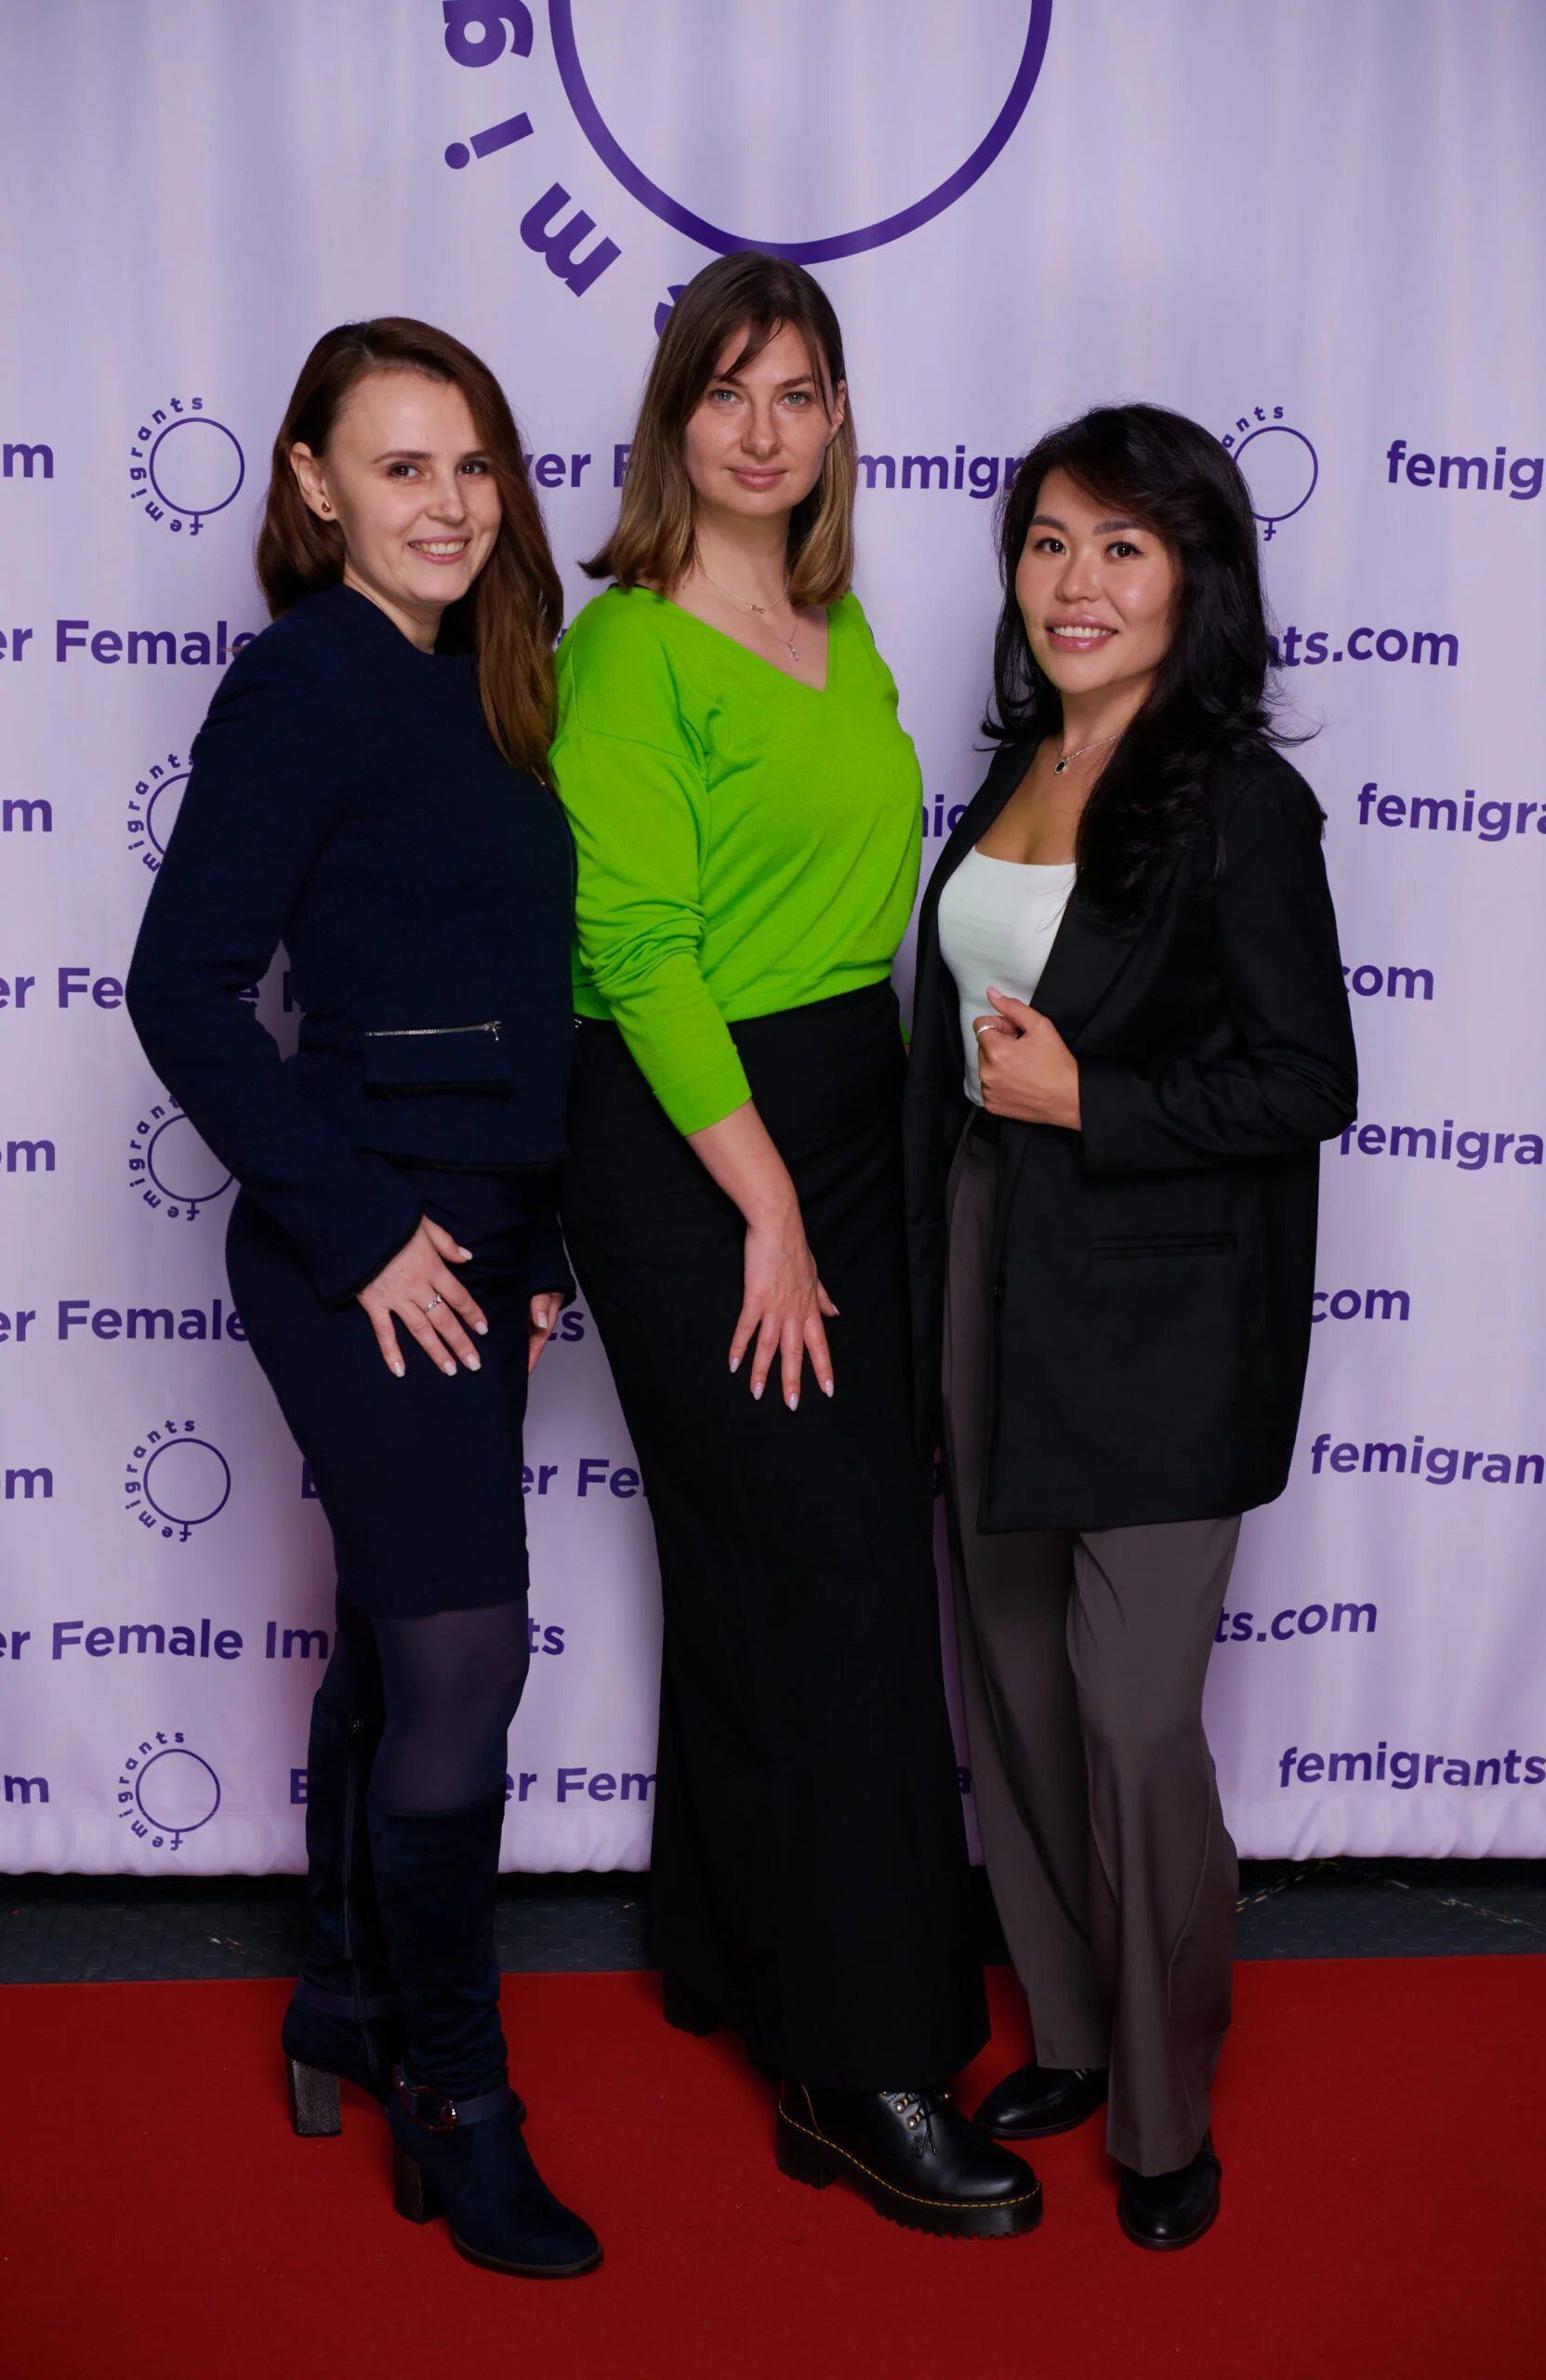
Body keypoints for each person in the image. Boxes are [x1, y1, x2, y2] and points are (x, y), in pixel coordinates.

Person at [551, 252, 1038, 2240]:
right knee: (830, 1583)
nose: (761, 428)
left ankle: (728, 1945)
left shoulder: (835, 625)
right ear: (672, 417)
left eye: (798, 392)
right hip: (699, 1142)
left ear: (837, 420)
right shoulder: (625, 650)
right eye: (725, 389)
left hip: (853, 1109)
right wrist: (763, 1209)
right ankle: (859, 2066)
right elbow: (636, 951)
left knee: (786, 1563)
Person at [126, 319, 600, 2281]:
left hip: (477, 1242)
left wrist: (534, 1247)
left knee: (406, 1650)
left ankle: (341, 1988)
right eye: (403, 465)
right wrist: (360, 1228)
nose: (450, 502)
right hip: (364, 1247)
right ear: (314, 487)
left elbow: (517, 999)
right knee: (467, 1661)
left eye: (473, 465)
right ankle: (457, 2091)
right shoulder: (304, 676)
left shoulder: (485, 681)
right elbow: (178, 988)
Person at [903, 403, 1356, 2250]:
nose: (1073, 582)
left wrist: (1094, 1101)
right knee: (1013, 1685)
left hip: (1162, 1309)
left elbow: (1307, 1079)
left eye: (1121, 545)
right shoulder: (1014, 763)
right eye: (1047, 542)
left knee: (1136, 1715)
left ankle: (1166, 2111)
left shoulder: (1237, 797)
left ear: (1194, 577)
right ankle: (1075, 2026)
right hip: (987, 1258)